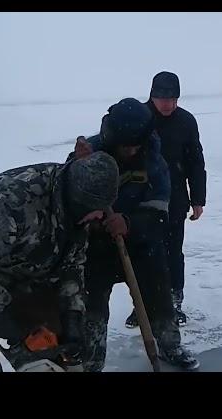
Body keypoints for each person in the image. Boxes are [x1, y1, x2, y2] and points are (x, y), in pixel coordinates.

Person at [0, 152, 119, 372]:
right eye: (97, 210)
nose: (101, 217)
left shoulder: (79, 210)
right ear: (78, 200)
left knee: (54, 350)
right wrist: (6, 322)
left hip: (26, 271)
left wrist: (72, 317)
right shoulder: (13, 202)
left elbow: (72, 265)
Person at [71, 97, 199, 371]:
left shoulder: (153, 159)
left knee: (160, 297)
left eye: (134, 145)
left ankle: (168, 347)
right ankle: (90, 358)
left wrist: (129, 223)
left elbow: (159, 210)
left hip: (141, 243)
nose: (130, 150)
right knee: (91, 308)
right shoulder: (88, 152)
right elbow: (68, 198)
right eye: (124, 145)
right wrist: (76, 167)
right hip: (96, 246)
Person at [125, 71, 207, 327]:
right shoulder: (139, 117)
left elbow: (195, 161)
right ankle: (141, 307)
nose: (168, 104)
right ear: (152, 95)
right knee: (142, 254)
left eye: (173, 99)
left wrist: (198, 198)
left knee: (173, 253)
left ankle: (174, 304)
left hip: (175, 200)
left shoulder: (186, 121)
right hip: (140, 201)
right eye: (163, 98)